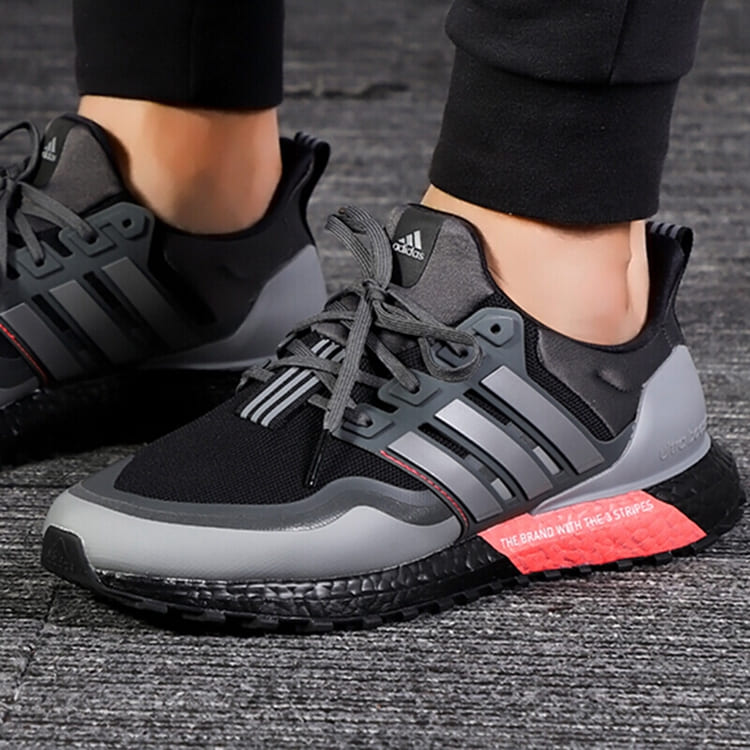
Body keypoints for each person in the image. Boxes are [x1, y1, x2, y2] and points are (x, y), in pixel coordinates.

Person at [2, 0, 739, 629]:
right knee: (159, 111)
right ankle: (178, 179)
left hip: (572, 333)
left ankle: (560, 294)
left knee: (532, 202)